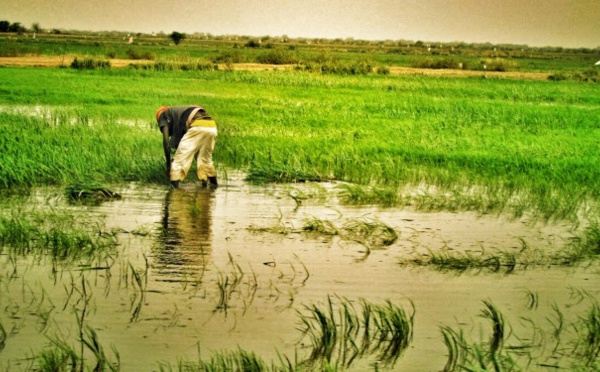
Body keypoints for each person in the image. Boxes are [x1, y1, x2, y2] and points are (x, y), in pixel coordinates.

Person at [156, 105, 218, 188]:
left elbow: (166, 142)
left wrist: (168, 165)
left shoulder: (163, 115)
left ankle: (173, 191)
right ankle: (213, 186)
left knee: (178, 162)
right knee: (205, 159)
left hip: (197, 126)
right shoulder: (177, 114)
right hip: (211, 126)